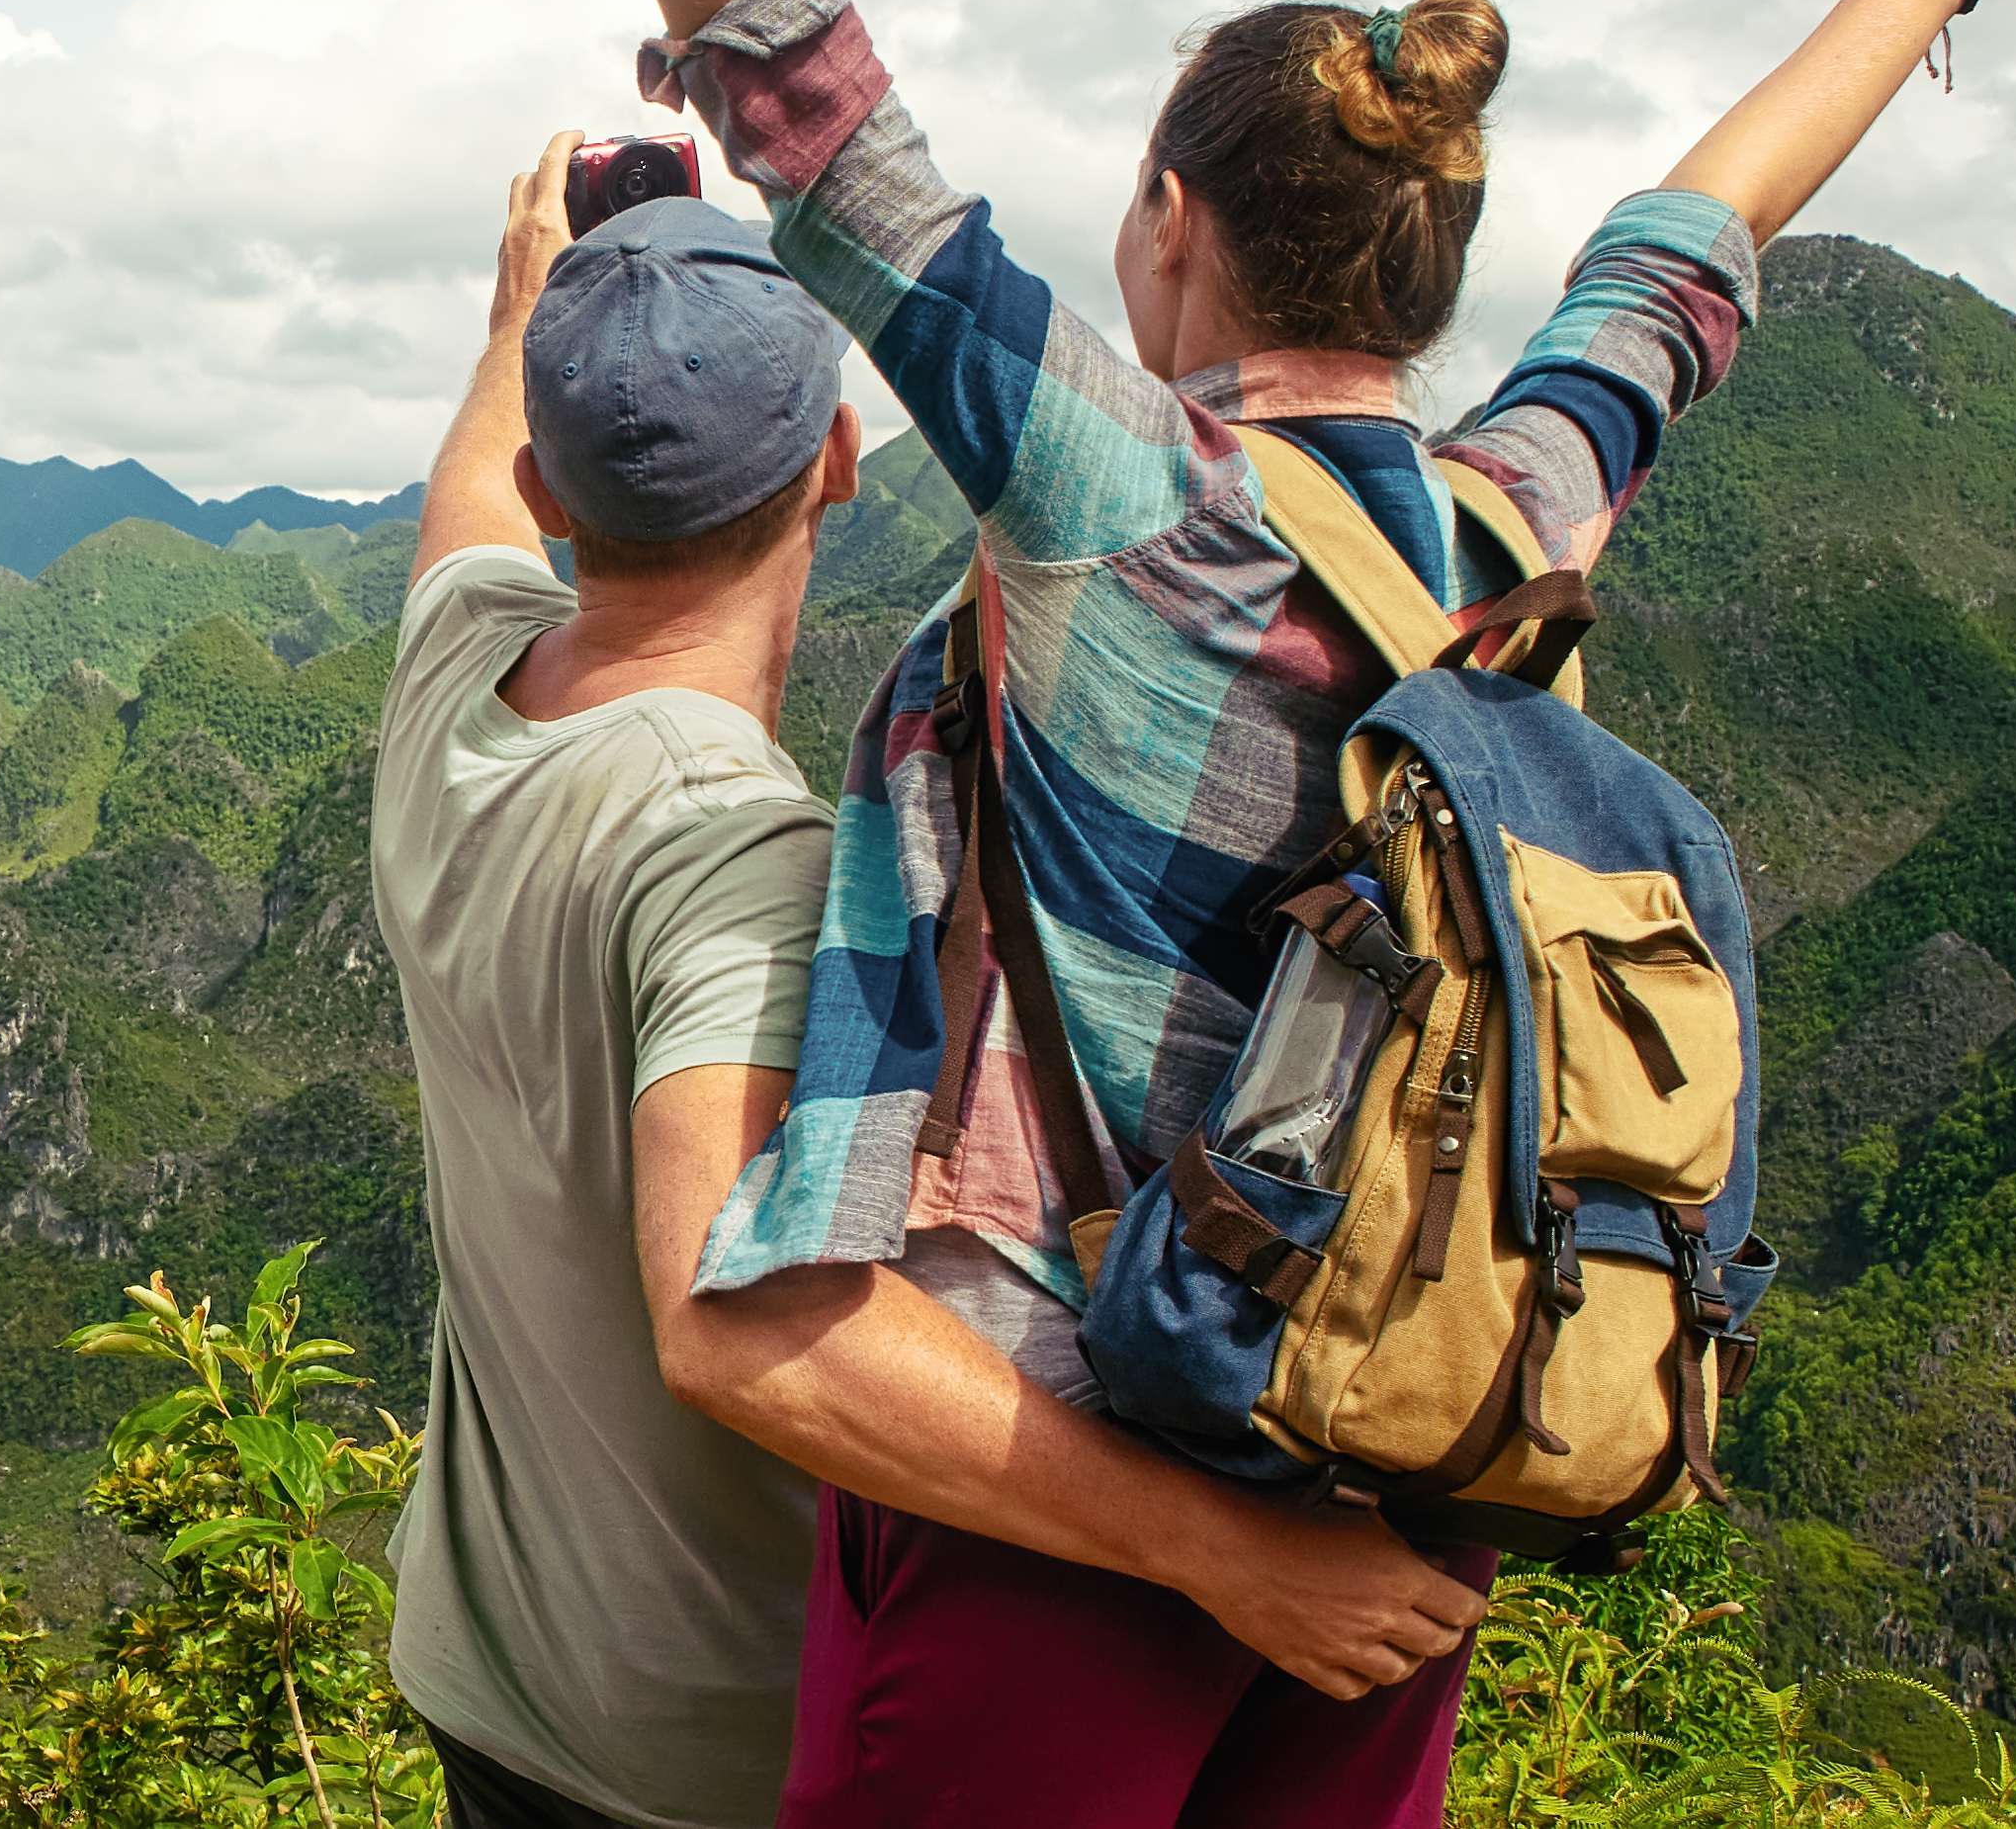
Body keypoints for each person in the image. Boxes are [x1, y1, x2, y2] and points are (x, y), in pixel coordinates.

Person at [466, 0, 2016, 1828]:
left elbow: (809, 96)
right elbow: (1679, 255)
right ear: (1417, 275)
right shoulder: (1514, 519)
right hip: (1395, 1474)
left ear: (1167, 236)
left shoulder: (1113, 498)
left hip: (1057, 1494)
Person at [378, 177, 1510, 1829]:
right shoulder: (745, 861)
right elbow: (737, 1328)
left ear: (555, 498)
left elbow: (470, 486)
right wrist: (1223, 1552)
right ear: (838, 458)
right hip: (704, 1743)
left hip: (485, 1677)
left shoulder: (452, 688)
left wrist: (528, 314)